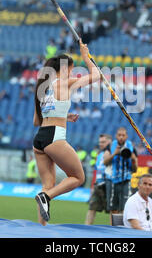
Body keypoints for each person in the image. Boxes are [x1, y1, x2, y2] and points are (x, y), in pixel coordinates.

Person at [33, 40, 100, 225]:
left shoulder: (42, 87)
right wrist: (86, 56)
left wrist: (64, 115)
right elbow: (96, 76)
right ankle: (46, 197)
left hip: (39, 139)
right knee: (78, 177)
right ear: (66, 68)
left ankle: (40, 228)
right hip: (54, 136)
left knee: (48, 184)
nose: (72, 72)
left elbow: (36, 121)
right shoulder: (64, 82)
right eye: (71, 69)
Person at [103, 127, 138, 223]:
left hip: (126, 180)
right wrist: (114, 153)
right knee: (113, 208)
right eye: (119, 135)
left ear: (127, 136)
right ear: (116, 136)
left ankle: (123, 229)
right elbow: (105, 162)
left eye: (123, 135)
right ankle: (112, 228)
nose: (121, 137)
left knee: (125, 207)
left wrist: (133, 160)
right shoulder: (111, 146)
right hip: (113, 180)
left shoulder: (131, 148)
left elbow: (135, 170)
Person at [85, 134, 112, 225]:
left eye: (103, 142)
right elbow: (98, 171)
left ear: (110, 142)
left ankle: (115, 234)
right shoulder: (99, 155)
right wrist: (94, 185)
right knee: (91, 208)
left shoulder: (113, 153)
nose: (101, 144)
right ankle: (86, 230)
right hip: (98, 185)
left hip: (109, 185)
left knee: (113, 211)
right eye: (100, 142)